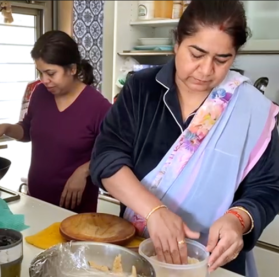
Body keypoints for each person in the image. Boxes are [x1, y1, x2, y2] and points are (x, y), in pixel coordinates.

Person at [90, 1, 279, 276]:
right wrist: (154, 211)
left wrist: (239, 219)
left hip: (215, 263)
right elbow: (107, 158)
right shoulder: (142, 90)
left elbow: (268, 187)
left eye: (221, 59)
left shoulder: (252, 110)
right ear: (177, 42)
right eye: (196, 54)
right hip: (138, 251)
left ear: (234, 55)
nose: (205, 70)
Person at [0, 30, 112, 213]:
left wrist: (84, 170)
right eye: (41, 72)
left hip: (74, 208)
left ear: (72, 69)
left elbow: (113, 152)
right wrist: (5, 128)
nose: (44, 80)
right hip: (36, 199)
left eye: (51, 73)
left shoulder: (98, 106)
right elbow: (27, 130)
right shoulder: (39, 94)